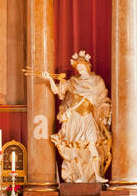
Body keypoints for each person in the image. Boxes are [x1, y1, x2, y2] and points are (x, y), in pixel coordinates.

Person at [44, 52, 112, 184]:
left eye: (82, 67)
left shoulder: (97, 81)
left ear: (88, 66)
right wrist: (49, 79)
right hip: (75, 118)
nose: (80, 70)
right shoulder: (74, 81)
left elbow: (102, 98)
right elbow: (57, 91)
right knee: (77, 148)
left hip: (88, 117)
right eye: (78, 68)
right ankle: (80, 176)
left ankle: (97, 175)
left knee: (92, 144)